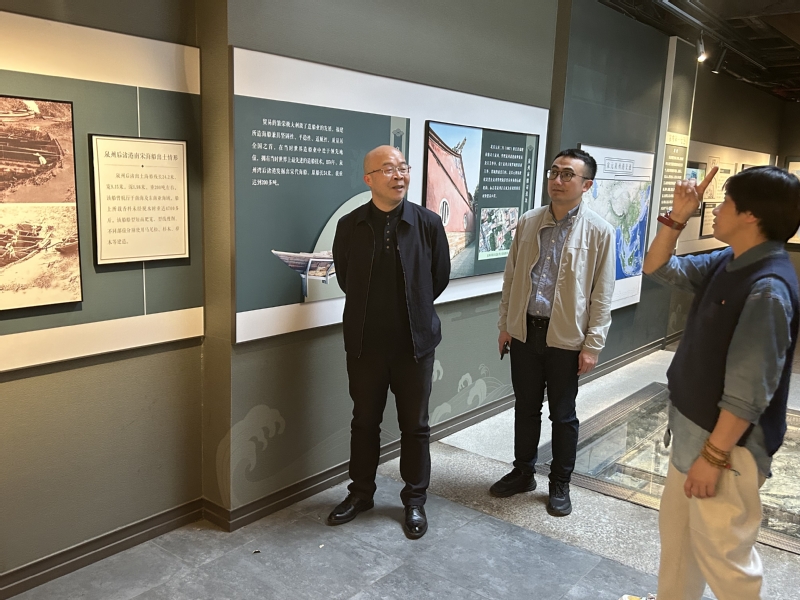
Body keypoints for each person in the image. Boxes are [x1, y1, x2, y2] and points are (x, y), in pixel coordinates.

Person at [624, 166, 800, 600]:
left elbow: (748, 391)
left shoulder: (767, 288)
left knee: (725, 560)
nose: (716, 210)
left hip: (724, 450)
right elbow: (658, 267)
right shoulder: (732, 260)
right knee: (680, 543)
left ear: (751, 215)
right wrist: (676, 219)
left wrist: (714, 456)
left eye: (726, 203)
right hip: (694, 437)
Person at [327, 145, 450, 539]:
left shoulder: (428, 223)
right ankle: (361, 493)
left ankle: (414, 499)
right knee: (364, 422)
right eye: (388, 169)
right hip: (365, 344)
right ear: (369, 179)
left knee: (415, 426)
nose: (399, 176)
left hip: (415, 345)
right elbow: (345, 277)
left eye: (403, 168)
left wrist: (413, 309)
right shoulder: (350, 225)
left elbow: (439, 277)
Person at [493, 148, 615, 516]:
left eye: (567, 175)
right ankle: (523, 472)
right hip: (525, 332)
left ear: (586, 185)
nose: (557, 181)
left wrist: (592, 345)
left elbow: (602, 294)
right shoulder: (529, 221)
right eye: (554, 172)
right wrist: (505, 325)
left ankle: (560, 481)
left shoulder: (600, 231)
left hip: (566, 338)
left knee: (563, 415)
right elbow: (512, 277)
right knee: (525, 408)